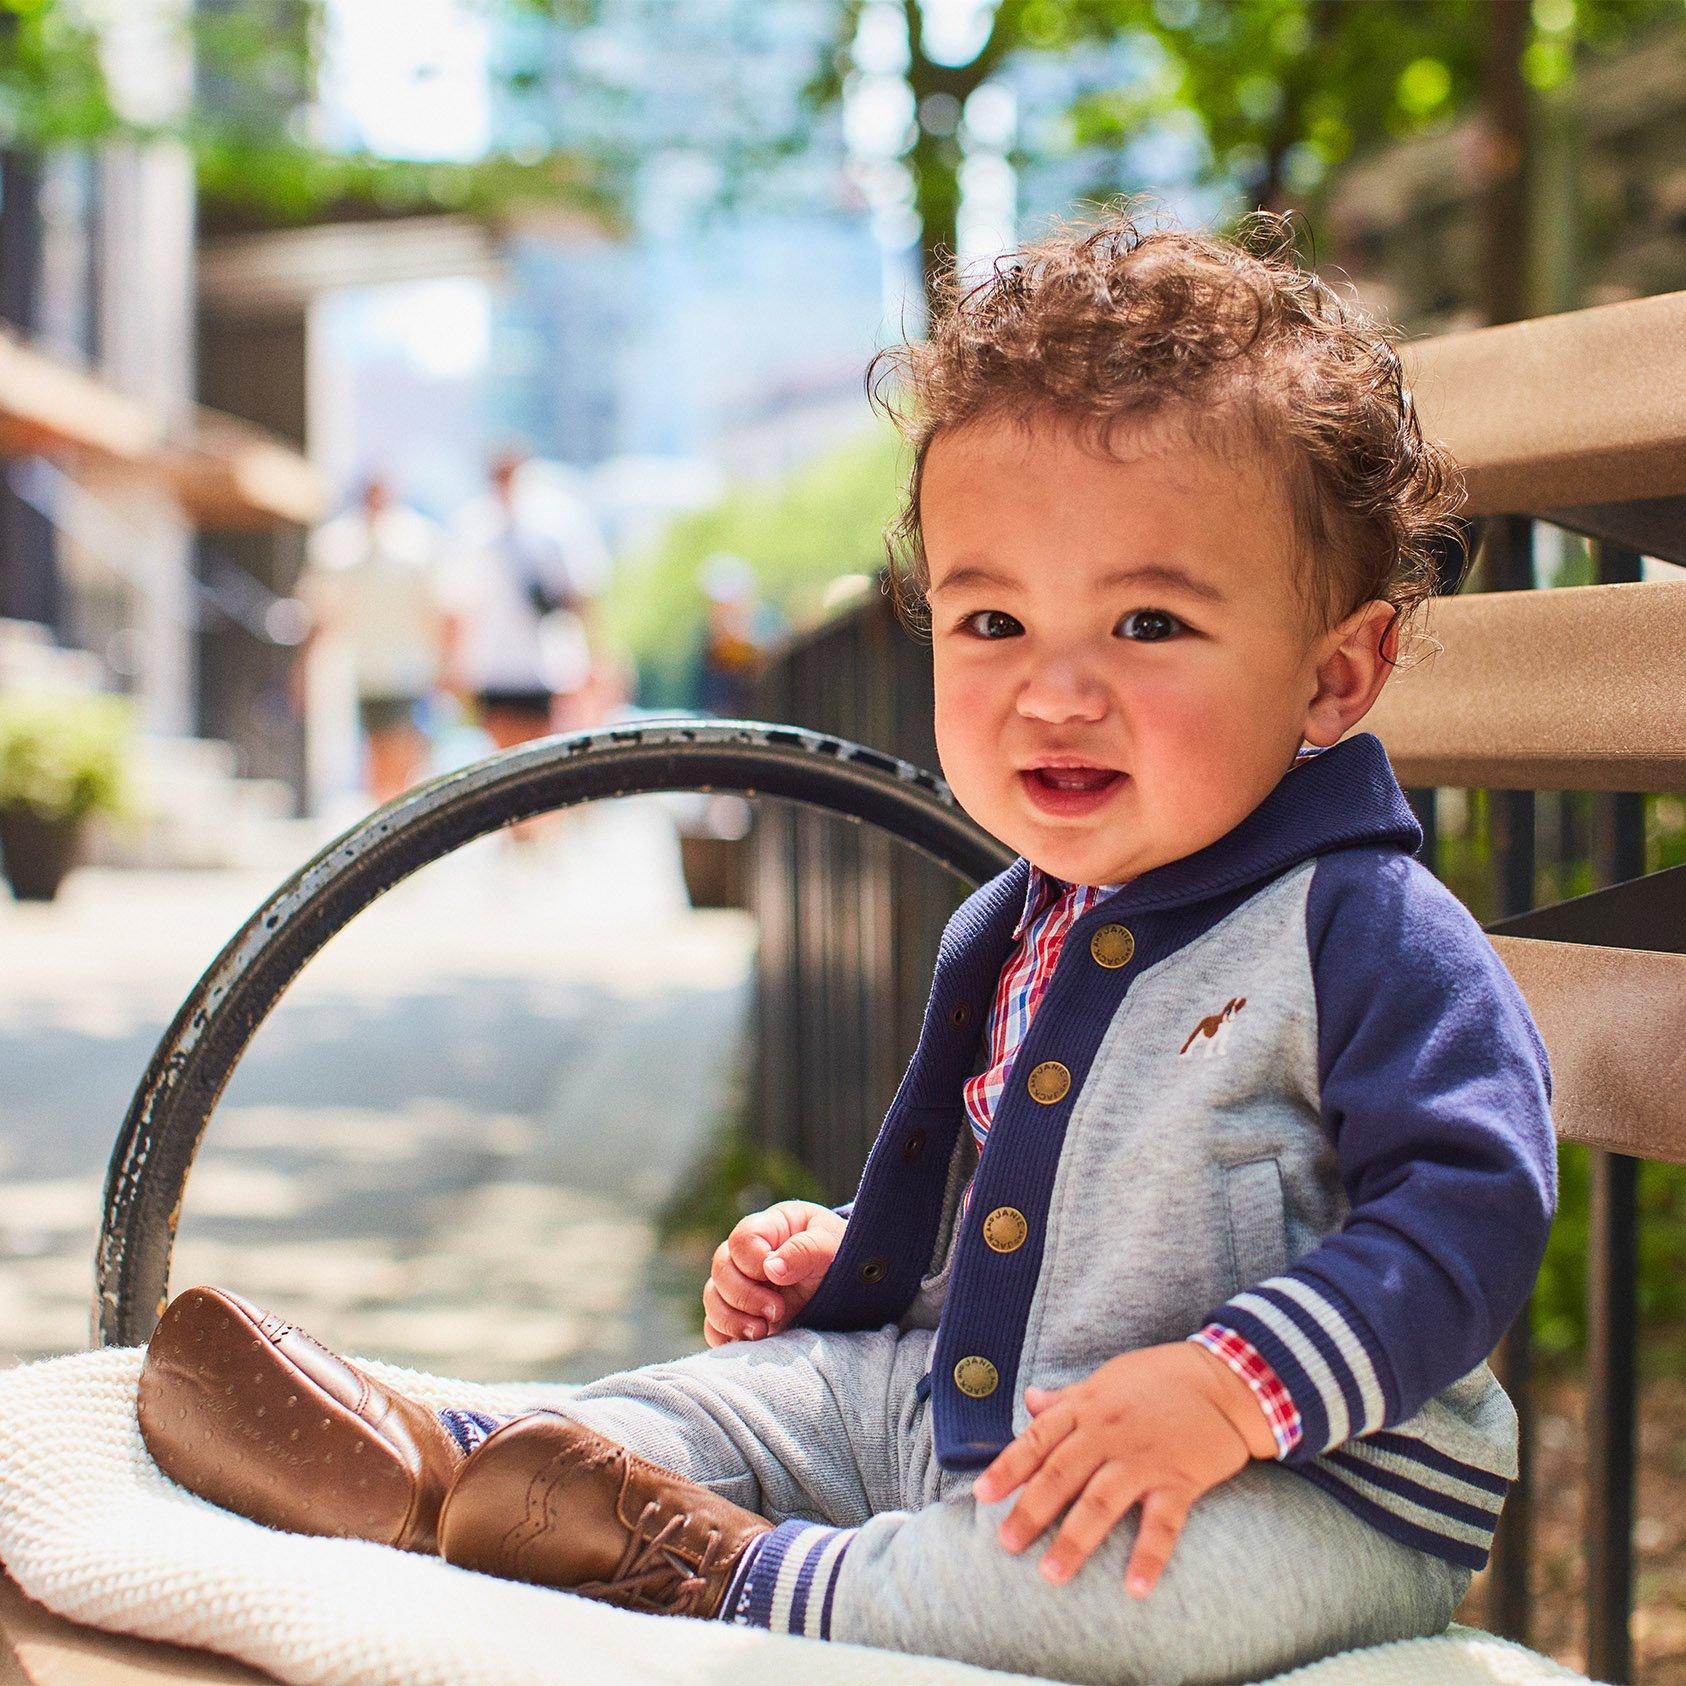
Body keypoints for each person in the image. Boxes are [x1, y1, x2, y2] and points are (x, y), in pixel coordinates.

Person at [136, 210, 1556, 1685]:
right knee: (756, 1397)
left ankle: (727, 1575)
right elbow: (1001, 1215)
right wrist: (850, 1278)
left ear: (1336, 673)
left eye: (1143, 621)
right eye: (991, 617)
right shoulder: (1010, 921)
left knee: (1075, 1587)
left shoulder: (1360, 925)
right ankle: (444, 1462)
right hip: (966, 1400)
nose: (1051, 693)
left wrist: (1227, 1386)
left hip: (1298, 1485)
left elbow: (1469, 1208)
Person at [440, 446, 612, 751]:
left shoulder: (556, 522)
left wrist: (595, 658)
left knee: (550, 755)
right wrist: (452, 668)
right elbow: (456, 606)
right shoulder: (473, 527)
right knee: (504, 757)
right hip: (493, 667)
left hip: (548, 667)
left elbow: (580, 597)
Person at [296, 474, 447, 807]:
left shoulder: (418, 542)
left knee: (404, 749)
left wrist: (447, 667)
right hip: (361, 670)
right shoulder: (338, 546)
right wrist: (304, 670)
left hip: (410, 669)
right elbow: (320, 613)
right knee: (378, 753)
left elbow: (439, 611)